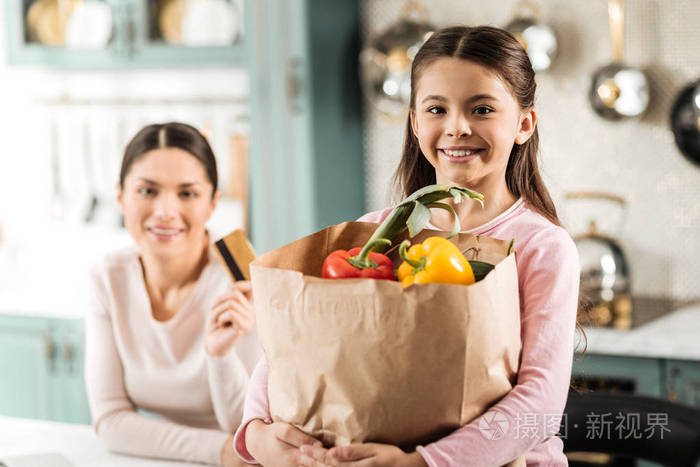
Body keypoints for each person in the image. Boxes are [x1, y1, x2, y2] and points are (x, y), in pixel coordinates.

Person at [233, 25, 580, 466]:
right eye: (437, 109)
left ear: (524, 124)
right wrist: (257, 434)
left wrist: (424, 462)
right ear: (415, 123)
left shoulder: (542, 247)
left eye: (482, 109)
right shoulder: (370, 235)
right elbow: (290, 346)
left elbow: (541, 401)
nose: (457, 127)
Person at [85, 122, 261, 466]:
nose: (166, 211)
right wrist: (219, 450)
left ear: (213, 203)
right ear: (120, 196)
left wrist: (220, 355)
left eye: (187, 193)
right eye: (148, 191)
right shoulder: (108, 278)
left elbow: (250, 431)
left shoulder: (244, 272)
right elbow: (109, 420)